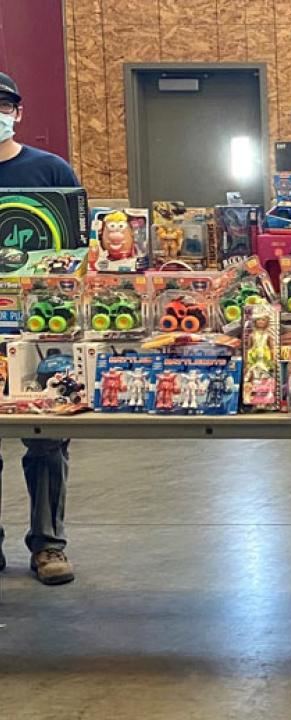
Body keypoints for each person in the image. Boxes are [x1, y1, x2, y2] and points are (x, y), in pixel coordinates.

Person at [0, 71, 78, 584]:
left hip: (41, 324)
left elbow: (76, 254)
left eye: (2, 105)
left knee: (46, 435)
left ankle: (48, 546)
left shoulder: (50, 170)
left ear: (19, 112)